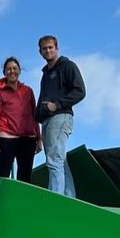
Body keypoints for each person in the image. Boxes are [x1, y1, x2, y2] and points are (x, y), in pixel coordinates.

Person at [34, 35, 85, 197]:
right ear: (40, 52)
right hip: (46, 121)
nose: (48, 50)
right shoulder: (45, 75)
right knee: (59, 160)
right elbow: (42, 100)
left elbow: (80, 91)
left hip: (60, 116)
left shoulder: (68, 66)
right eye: (44, 48)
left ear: (57, 48)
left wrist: (57, 104)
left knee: (53, 160)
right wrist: (38, 118)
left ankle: (54, 200)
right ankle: (69, 199)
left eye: (50, 47)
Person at [0, 56, 42, 183]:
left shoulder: (28, 91)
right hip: (7, 137)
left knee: (25, 175)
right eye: (8, 69)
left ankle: (22, 197)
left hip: (28, 138)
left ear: (19, 71)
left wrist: (39, 138)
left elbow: (34, 115)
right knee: (3, 173)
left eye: (14, 68)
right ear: (4, 72)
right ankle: (0, 196)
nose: (12, 71)